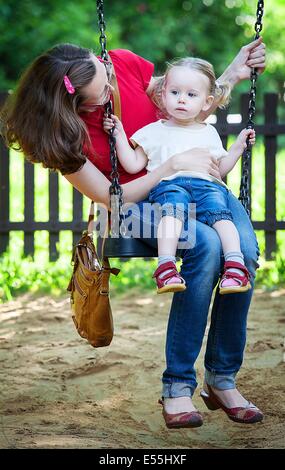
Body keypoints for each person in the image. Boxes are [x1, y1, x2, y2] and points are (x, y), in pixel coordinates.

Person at [1, 37, 266, 428]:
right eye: (99, 94)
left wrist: (232, 73)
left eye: (106, 75)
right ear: (75, 104)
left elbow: (184, 96)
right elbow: (115, 198)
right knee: (208, 246)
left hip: (197, 186)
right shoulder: (62, 136)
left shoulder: (120, 64)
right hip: (135, 207)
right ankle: (177, 386)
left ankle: (221, 379)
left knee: (241, 252)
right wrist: (169, 165)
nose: (110, 88)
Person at [103, 57, 256, 297]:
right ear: (163, 95)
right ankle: (166, 266)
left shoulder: (209, 133)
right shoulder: (152, 132)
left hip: (207, 187)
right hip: (169, 186)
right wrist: (119, 135)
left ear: (207, 103)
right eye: (175, 92)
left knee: (221, 216)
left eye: (191, 95)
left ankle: (234, 266)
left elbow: (220, 170)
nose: (182, 99)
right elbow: (133, 165)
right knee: (171, 213)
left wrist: (237, 148)